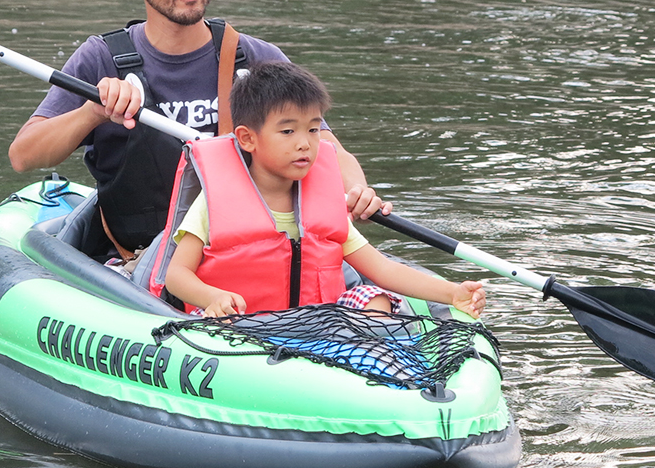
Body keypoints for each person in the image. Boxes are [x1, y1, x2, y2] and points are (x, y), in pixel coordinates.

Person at [7, 0, 387, 256]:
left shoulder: (257, 57)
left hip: (250, 253)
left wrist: (355, 188)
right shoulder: (100, 59)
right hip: (140, 262)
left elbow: (328, 148)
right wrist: (91, 113)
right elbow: (24, 155)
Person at [161, 61, 487, 319]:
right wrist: (213, 297)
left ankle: (366, 363)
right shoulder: (215, 202)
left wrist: (451, 293)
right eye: (287, 130)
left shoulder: (324, 204)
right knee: (214, 319)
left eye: (314, 129)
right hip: (243, 319)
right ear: (248, 139)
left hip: (316, 321)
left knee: (374, 299)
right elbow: (177, 275)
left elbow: (382, 270)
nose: (305, 143)